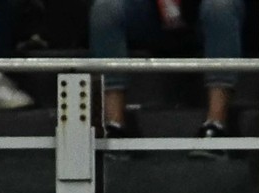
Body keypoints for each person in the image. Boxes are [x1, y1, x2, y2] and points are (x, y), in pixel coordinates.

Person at [92, 0, 245, 146]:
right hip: (150, 14)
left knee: (220, 6)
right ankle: (114, 128)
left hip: (203, 15)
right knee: (106, 8)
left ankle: (215, 126)